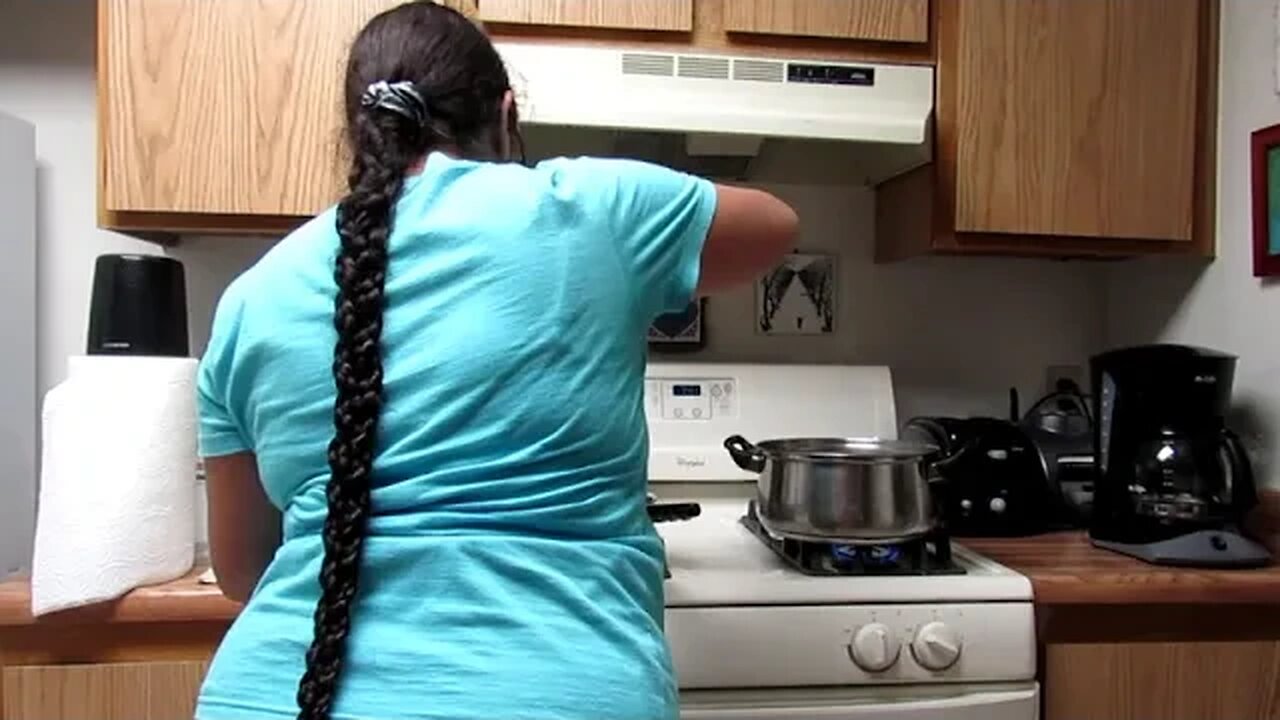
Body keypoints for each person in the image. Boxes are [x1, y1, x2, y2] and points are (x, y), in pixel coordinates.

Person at [194, 3, 798, 719]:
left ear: (358, 132)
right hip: (553, 691)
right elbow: (774, 227)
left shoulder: (250, 295)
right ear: (506, 114)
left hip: (271, 696)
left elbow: (242, 572)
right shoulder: (587, 209)